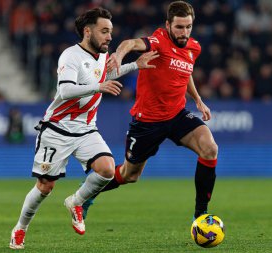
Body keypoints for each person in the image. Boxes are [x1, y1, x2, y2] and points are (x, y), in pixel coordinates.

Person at [9, 7, 158, 250]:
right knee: (45, 187)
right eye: (104, 31)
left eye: (110, 31)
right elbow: (66, 90)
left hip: (86, 128)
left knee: (107, 169)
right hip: (57, 128)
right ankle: (20, 229)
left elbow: (105, 73)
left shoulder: (102, 54)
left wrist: (135, 65)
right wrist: (99, 88)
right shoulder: (70, 56)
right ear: (88, 31)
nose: (109, 37)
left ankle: (76, 201)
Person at [83, 1, 219, 223]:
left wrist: (198, 100)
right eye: (179, 27)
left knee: (210, 148)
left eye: (188, 27)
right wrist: (118, 54)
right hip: (148, 121)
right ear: (168, 25)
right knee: (130, 175)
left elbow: (186, 72)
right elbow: (130, 43)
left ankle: (200, 215)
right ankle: (89, 191)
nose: (184, 33)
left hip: (176, 115)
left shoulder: (194, 47)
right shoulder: (158, 41)